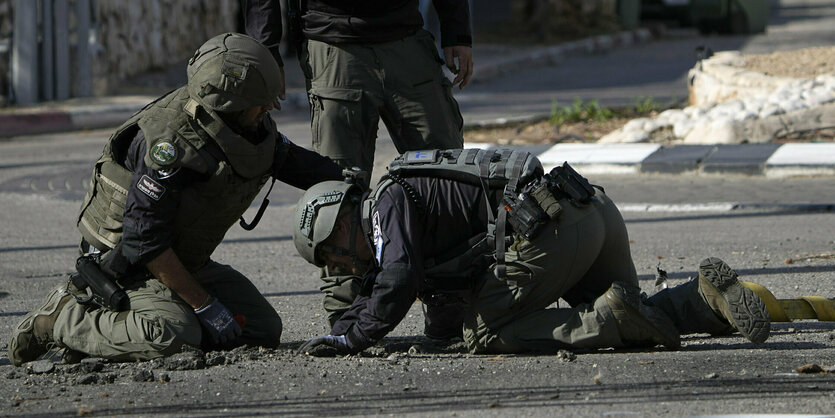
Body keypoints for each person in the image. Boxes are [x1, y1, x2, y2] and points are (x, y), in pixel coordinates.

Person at [7, 33, 345, 367]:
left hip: (182, 259)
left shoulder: (245, 126)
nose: (273, 106)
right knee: (172, 335)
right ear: (231, 101)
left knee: (260, 328)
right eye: (263, 99)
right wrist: (202, 305)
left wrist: (357, 184)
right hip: (128, 267)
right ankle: (62, 319)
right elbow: (143, 238)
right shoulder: (170, 146)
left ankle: (132, 329)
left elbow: (298, 164)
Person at [291, 149, 771, 356]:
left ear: (341, 222)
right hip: (591, 209)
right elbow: (385, 285)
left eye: (334, 256)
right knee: (634, 310)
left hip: (555, 228)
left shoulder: (386, 204)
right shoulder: (400, 205)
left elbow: (396, 280)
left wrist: (350, 341)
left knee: (480, 334)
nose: (342, 268)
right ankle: (706, 301)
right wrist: (343, 327)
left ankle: (611, 320)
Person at [242, 0, 474, 339]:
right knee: (335, 192)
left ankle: (449, 306)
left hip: (407, 40)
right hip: (333, 44)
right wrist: (265, 48)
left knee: (445, 179)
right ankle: (348, 318)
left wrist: (458, 32)